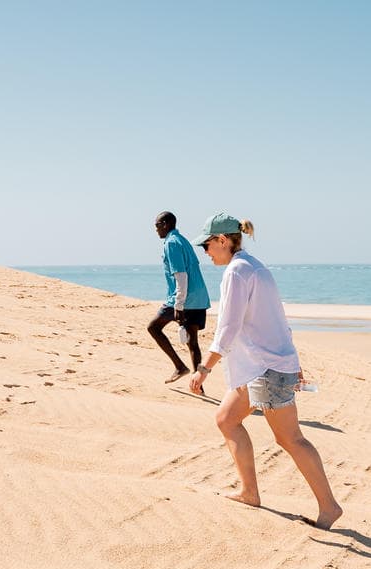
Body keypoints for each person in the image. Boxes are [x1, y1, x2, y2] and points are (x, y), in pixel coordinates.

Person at [190, 213, 343, 530]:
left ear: (223, 241)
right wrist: (293, 361)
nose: (205, 252)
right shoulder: (255, 267)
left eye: (207, 245)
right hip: (267, 366)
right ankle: (249, 492)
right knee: (227, 419)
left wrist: (204, 368)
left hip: (266, 368)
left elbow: (228, 328)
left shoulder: (237, 272)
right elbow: (277, 319)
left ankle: (329, 507)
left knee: (290, 439)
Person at [147, 211, 209, 383]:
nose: (156, 229)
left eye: (158, 225)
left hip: (183, 298)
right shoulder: (182, 240)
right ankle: (198, 385)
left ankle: (180, 366)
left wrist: (179, 305)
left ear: (166, 224)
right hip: (199, 297)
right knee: (192, 342)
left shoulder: (172, 243)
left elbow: (181, 276)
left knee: (153, 327)